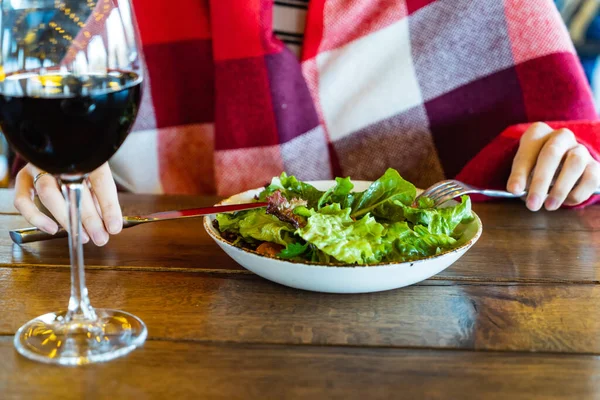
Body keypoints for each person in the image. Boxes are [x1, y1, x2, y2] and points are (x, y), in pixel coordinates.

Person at [10, 0, 600, 247]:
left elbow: (579, 141)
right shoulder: (104, 10)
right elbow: (42, 130)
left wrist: (571, 159)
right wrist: (48, 174)